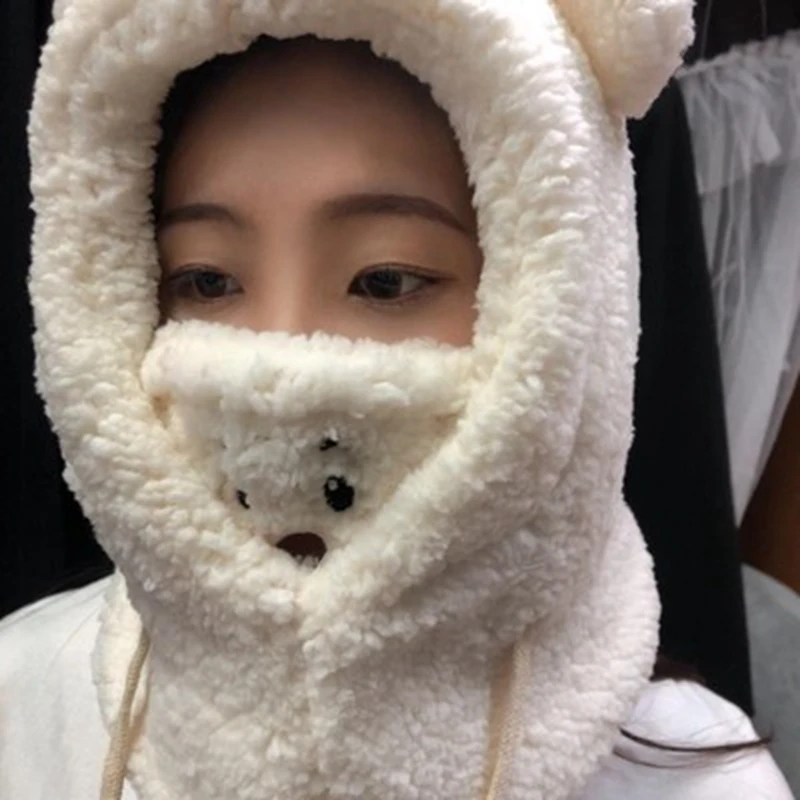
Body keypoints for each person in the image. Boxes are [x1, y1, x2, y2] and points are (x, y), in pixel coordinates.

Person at [0, 2, 794, 799]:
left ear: (565, 316)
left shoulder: (713, 782)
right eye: (206, 282)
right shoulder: (21, 701)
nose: (281, 370)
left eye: (385, 281)